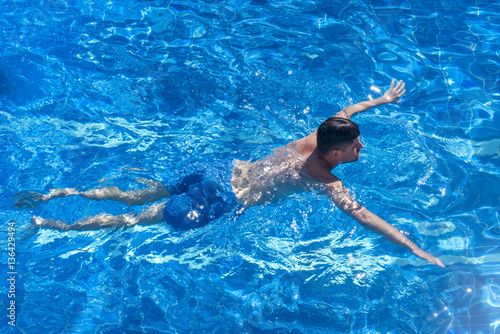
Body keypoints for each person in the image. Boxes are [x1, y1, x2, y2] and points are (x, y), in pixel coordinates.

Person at [14, 79, 445, 267]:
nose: (360, 146)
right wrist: (412, 246)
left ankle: (59, 192)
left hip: (221, 169)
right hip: (222, 199)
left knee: (134, 195)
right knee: (132, 221)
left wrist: (381, 101)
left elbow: (348, 110)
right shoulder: (325, 178)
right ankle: (50, 223)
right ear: (335, 150)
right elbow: (367, 218)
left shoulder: (317, 135)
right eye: (355, 145)